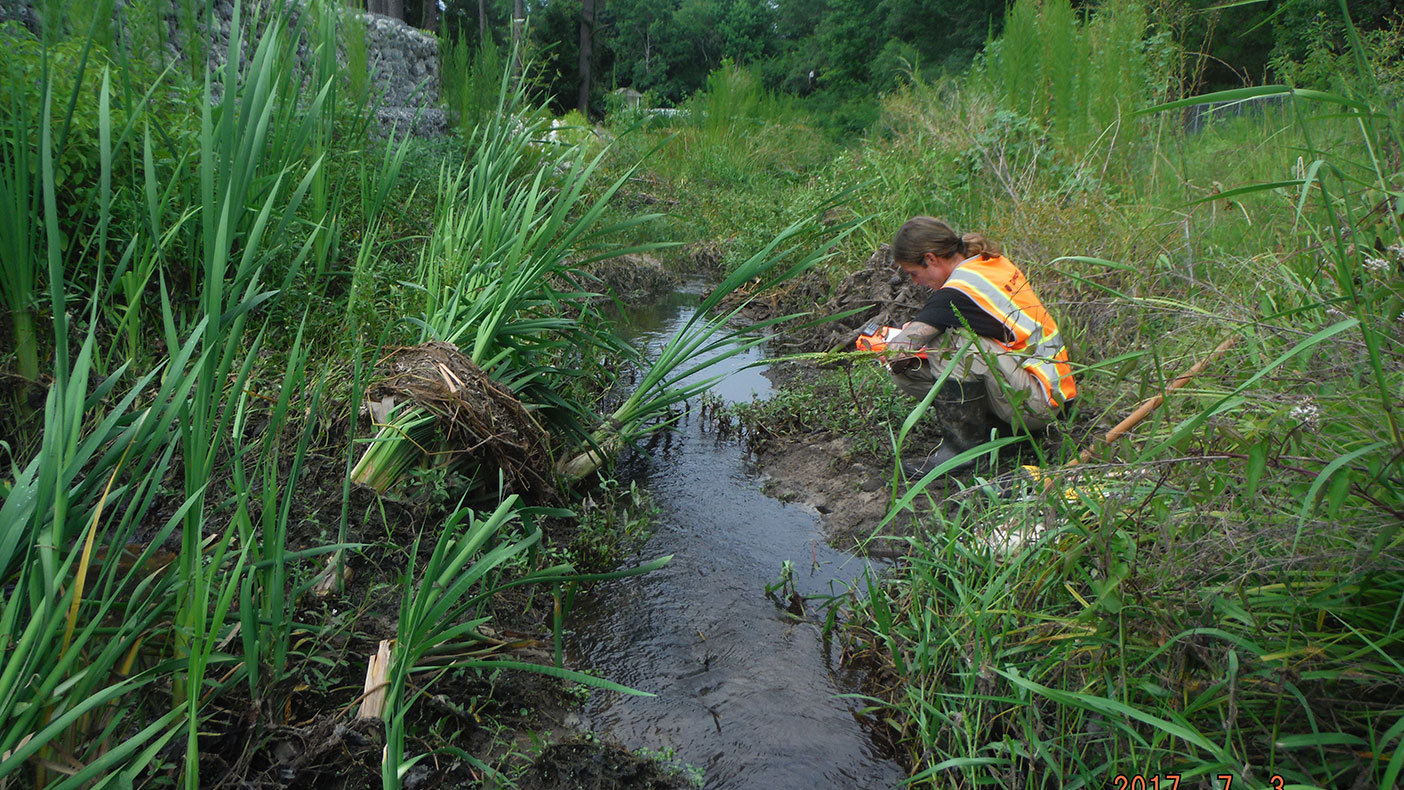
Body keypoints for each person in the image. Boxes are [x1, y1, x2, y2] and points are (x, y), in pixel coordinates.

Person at [884, 216, 1076, 475]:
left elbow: (896, 350)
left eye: (914, 274)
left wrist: (886, 346)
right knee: (912, 367)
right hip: (1051, 390)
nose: (916, 283)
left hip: (1039, 404)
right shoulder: (990, 263)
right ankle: (994, 433)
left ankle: (963, 453)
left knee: (948, 344)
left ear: (930, 258)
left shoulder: (958, 290)